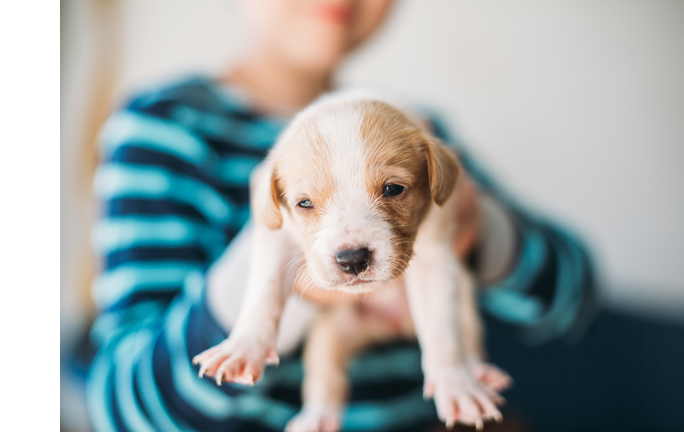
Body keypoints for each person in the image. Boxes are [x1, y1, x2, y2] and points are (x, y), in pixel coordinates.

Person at [86, 1, 597, 431]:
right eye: (306, 201)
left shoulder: (418, 132)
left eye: (393, 189)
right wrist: (285, 280)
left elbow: (575, 298)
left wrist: (481, 230)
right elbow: (121, 410)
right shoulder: (167, 131)